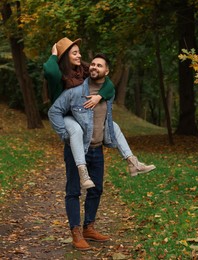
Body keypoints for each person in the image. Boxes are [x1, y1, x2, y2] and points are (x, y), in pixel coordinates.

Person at [44, 37, 155, 189]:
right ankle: (83, 173)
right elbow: (49, 70)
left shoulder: (82, 70)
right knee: (75, 130)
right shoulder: (58, 74)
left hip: (81, 113)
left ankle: (132, 162)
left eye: (79, 52)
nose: (79, 56)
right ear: (64, 57)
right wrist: (54, 54)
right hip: (67, 115)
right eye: (74, 53)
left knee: (112, 126)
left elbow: (107, 82)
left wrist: (99, 96)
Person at [48, 54, 125, 250]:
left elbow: (109, 94)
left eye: (99, 65)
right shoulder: (75, 91)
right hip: (77, 150)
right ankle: (76, 233)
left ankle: (89, 227)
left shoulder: (108, 92)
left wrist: (101, 95)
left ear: (106, 71)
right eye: (93, 64)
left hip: (97, 149)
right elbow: (54, 111)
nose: (94, 67)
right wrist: (65, 134)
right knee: (73, 191)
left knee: (96, 189)